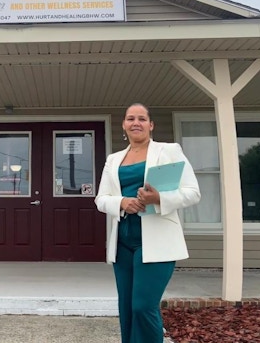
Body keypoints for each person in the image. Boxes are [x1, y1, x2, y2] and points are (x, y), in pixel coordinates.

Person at [95, 103, 200, 343]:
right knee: (128, 309)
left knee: (143, 306)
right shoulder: (113, 160)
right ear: (124, 125)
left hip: (156, 240)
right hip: (122, 241)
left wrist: (159, 198)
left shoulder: (168, 151)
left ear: (151, 125)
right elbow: (101, 199)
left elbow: (193, 192)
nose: (136, 123)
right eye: (131, 118)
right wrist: (121, 202)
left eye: (142, 119)